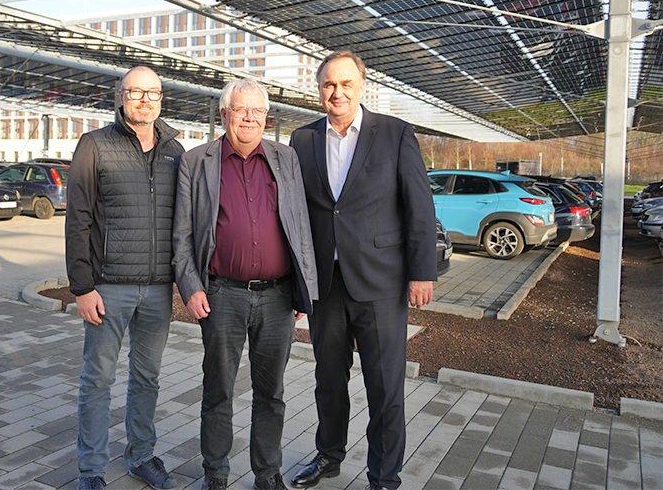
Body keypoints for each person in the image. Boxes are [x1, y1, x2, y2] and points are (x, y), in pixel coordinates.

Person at [288, 51, 437, 490]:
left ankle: (383, 477)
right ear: (319, 89)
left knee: (385, 386)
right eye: (329, 85)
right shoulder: (302, 139)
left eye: (346, 84)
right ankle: (329, 455)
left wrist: (422, 273)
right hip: (325, 285)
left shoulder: (394, 133)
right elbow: (295, 213)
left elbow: (419, 207)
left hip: (381, 283)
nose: (337, 92)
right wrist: (296, 284)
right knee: (328, 380)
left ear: (361, 86)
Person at [172, 79, 318, 490]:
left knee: (271, 393)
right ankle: (216, 474)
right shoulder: (196, 162)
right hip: (222, 295)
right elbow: (181, 234)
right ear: (224, 115)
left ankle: (267, 473)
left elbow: (301, 226)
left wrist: (305, 288)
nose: (250, 117)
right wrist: (191, 287)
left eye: (257, 110)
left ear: (266, 117)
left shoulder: (285, 158)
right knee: (218, 389)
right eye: (241, 109)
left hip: (278, 297)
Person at [65, 66, 185, 490]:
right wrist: (82, 286)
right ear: (121, 96)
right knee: (98, 378)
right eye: (136, 92)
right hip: (107, 287)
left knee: (147, 377)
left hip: (158, 288)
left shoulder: (175, 150)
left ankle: (141, 456)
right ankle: (91, 470)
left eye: (152, 93)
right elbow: (78, 219)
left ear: (161, 99)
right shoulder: (94, 145)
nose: (145, 100)